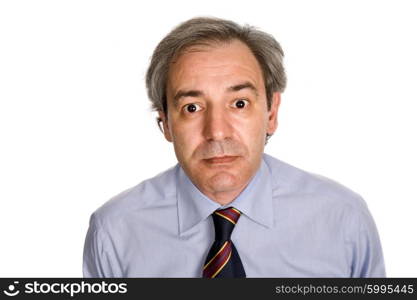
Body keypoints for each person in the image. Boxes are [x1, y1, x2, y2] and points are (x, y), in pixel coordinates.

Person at [83, 17, 385, 278]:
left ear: (271, 113)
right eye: (192, 108)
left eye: (239, 104)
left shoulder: (343, 217)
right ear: (165, 123)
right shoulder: (114, 231)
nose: (216, 131)